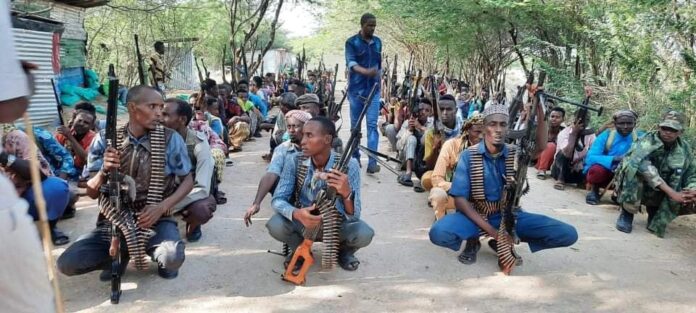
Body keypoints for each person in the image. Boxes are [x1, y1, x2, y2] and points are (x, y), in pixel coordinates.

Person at [58, 85, 194, 279]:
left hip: (155, 218)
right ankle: (122, 253)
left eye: (161, 107)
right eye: (152, 106)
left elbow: (187, 180)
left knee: (171, 257)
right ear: (132, 108)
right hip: (116, 218)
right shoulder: (105, 139)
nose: (159, 113)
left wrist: (161, 207)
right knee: (67, 264)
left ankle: (152, 251)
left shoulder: (170, 139)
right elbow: (91, 192)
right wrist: (104, 170)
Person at [429, 101, 578, 268]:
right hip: (475, 215)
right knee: (439, 232)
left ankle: (508, 240)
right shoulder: (468, 156)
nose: (498, 129)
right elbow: (461, 202)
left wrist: (539, 108)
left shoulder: (515, 153)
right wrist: (494, 233)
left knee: (568, 234)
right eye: (492, 124)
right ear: (484, 128)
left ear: (508, 128)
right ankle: (475, 239)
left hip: (508, 215)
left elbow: (541, 146)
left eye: (503, 124)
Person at [0, 3, 55, 309]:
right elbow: (10, 105)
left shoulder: (17, 139)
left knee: (57, 188)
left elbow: (41, 172)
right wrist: (20, 81)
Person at [267, 116, 374, 271]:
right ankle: (299, 249)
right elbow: (277, 200)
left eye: (309, 135)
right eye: (303, 135)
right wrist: (298, 213)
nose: (302, 141)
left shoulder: (349, 166)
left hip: (335, 225)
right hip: (303, 223)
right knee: (275, 224)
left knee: (364, 233)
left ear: (327, 139)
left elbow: (354, 215)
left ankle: (343, 251)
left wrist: (346, 194)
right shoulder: (294, 161)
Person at [614, 111, 696, 237]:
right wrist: (673, 193)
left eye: (673, 130)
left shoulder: (685, 149)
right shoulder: (646, 141)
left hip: (662, 189)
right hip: (641, 186)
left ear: (680, 132)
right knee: (634, 170)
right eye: (665, 128)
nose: (667, 132)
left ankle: (656, 211)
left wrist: (692, 190)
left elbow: (692, 172)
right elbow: (645, 168)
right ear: (659, 127)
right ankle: (627, 213)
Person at [1, 128, 70, 246]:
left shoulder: (15, 138)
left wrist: (4, 157)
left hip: (26, 198)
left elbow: (39, 174)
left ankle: (49, 228)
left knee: (56, 188)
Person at [244, 110, 312, 226]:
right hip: (291, 193)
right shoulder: (282, 149)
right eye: (289, 126)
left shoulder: (316, 146)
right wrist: (256, 203)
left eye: (295, 126)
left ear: (306, 128)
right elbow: (271, 174)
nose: (291, 130)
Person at [162, 98, 217, 242]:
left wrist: (170, 205)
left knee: (201, 209)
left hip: (187, 194)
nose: (160, 118)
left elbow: (202, 188)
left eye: (166, 115)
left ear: (182, 119)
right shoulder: (156, 138)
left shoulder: (198, 145)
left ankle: (193, 226)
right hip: (164, 192)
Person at [345, 13, 382, 174]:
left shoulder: (378, 42)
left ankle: (372, 163)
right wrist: (366, 72)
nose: (372, 28)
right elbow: (351, 64)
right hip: (356, 91)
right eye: (369, 25)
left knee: (372, 127)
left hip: (374, 91)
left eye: (374, 25)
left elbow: (379, 66)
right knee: (355, 128)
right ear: (362, 25)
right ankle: (355, 158)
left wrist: (378, 78)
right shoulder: (351, 42)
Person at [428, 114, 483, 220]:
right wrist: (460, 188)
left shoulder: (490, 148)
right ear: (467, 131)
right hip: (454, 194)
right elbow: (436, 179)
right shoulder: (451, 145)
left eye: (484, 133)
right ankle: (441, 222)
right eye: (477, 132)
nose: (481, 136)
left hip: (480, 198)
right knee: (438, 195)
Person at [584, 110, 641, 205]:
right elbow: (590, 157)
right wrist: (615, 159)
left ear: (634, 124)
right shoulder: (606, 135)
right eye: (621, 123)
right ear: (615, 124)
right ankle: (594, 191)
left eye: (629, 123)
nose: (625, 127)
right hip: (606, 171)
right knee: (597, 169)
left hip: (626, 172)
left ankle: (620, 194)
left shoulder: (640, 137)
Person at [420, 95, 463, 192]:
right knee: (426, 178)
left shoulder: (465, 130)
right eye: (441, 109)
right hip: (440, 172)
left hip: (461, 173)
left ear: (455, 111)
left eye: (448, 109)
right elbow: (430, 166)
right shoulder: (431, 132)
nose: (444, 113)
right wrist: (435, 148)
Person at [551, 109, 596, 190]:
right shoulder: (565, 132)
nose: (584, 122)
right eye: (581, 120)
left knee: (592, 158)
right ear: (575, 119)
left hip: (577, 170)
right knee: (562, 154)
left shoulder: (590, 134)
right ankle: (560, 180)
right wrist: (573, 134)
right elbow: (566, 153)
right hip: (559, 170)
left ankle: (582, 181)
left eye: (587, 120)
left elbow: (594, 151)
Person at [396, 98, 433, 187]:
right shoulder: (408, 122)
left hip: (423, 162)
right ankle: (408, 173)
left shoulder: (432, 123)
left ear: (430, 113)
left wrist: (420, 127)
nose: (423, 112)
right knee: (411, 139)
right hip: (406, 160)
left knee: (427, 137)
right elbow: (398, 146)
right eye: (421, 109)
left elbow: (434, 138)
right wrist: (409, 131)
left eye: (427, 110)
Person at [536, 106, 565, 179]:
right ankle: (541, 170)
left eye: (557, 117)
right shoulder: (542, 128)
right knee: (550, 146)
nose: (554, 119)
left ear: (562, 119)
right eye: (552, 116)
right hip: (539, 160)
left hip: (555, 162)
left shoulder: (564, 132)